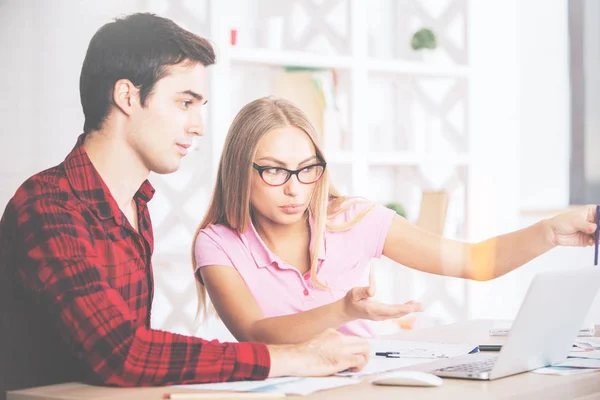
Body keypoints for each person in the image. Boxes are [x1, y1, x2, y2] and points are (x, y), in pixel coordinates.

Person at [0, 13, 370, 398]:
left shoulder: (135, 207)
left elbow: (135, 359)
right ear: (127, 96)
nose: (198, 126)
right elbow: (122, 352)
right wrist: (296, 358)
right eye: (185, 103)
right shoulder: (47, 207)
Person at [193, 96, 599, 345]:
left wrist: (550, 231)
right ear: (238, 170)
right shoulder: (218, 244)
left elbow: (475, 261)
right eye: (274, 171)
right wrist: (344, 310)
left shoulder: (352, 219)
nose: (295, 188)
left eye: (307, 168)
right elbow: (256, 334)